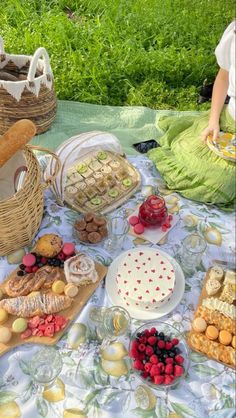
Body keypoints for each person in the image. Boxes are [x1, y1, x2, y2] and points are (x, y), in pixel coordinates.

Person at [148, 21, 235, 209]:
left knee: (223, 184)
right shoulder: (235, 36)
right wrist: (213, 121)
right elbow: (223, 78)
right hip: (228, 124)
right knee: (186, 153)